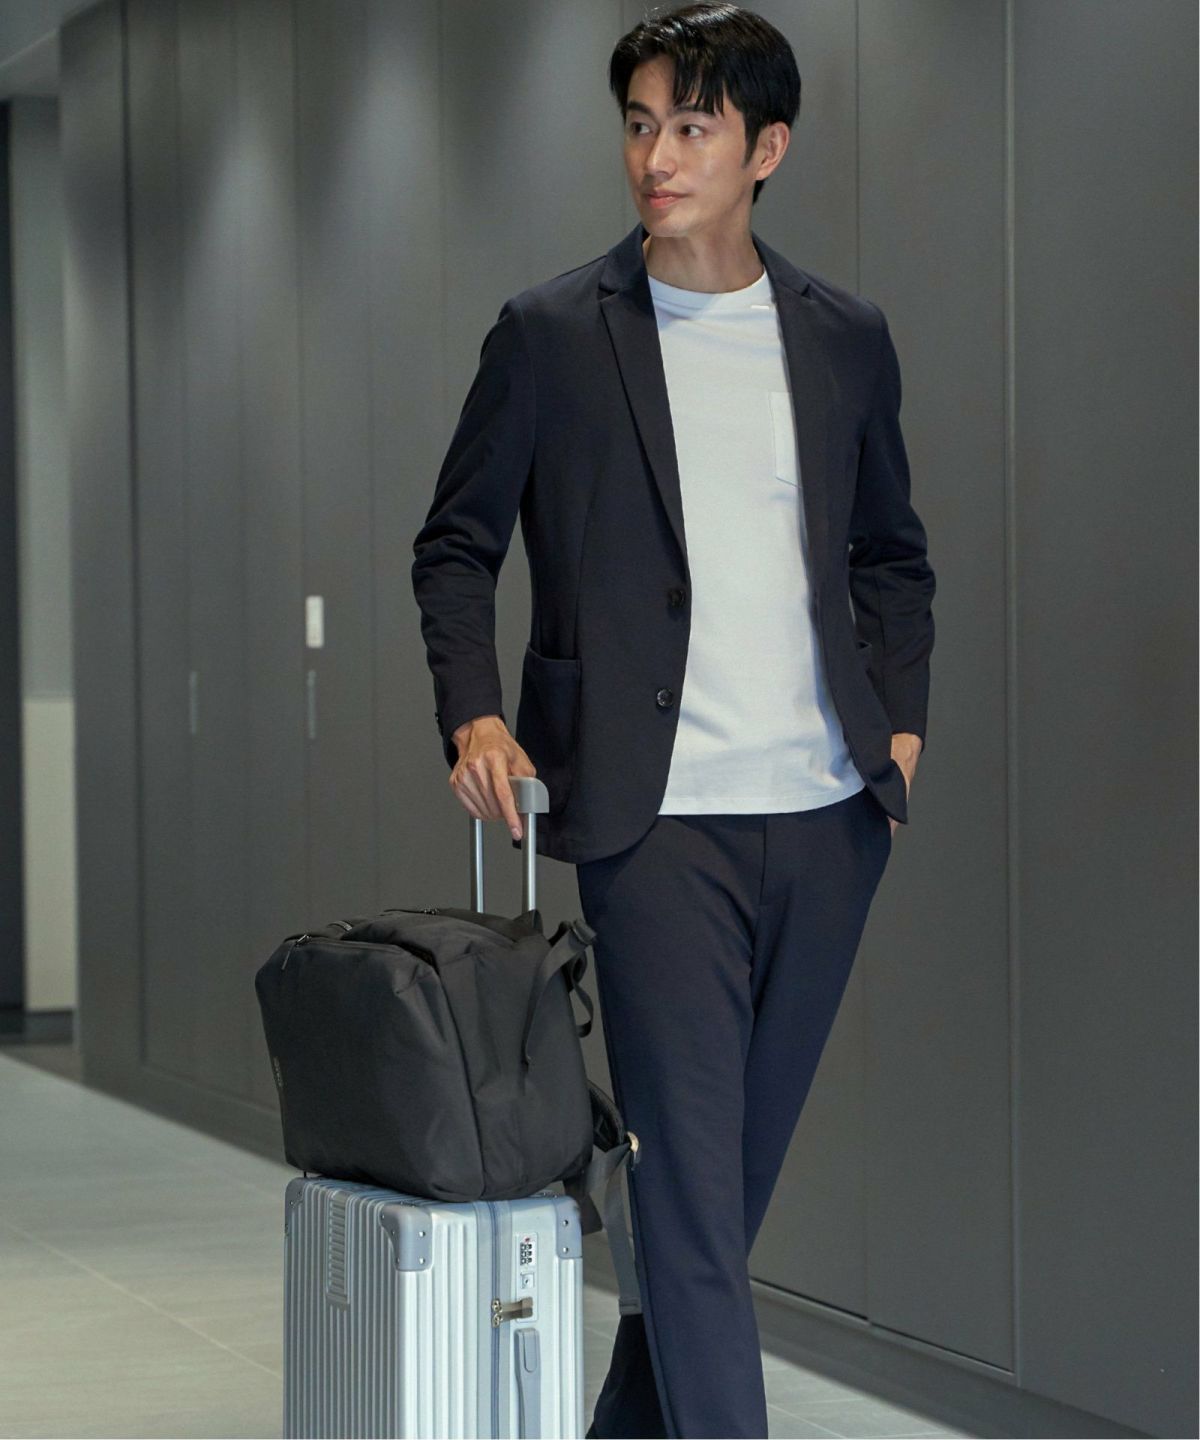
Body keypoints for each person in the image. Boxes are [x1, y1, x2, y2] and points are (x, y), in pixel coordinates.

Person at [411, 5, 936, 1434]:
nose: (657, 157)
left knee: (712, 1211)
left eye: (693, 128)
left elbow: (892, 556)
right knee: (695, 1205)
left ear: (768, 147)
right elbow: (456, 545)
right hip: (656, 831)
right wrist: (474, 716)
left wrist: (899, 733)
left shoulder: (844, 339)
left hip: (828, 823)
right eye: (640, 125)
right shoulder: (550, 337)